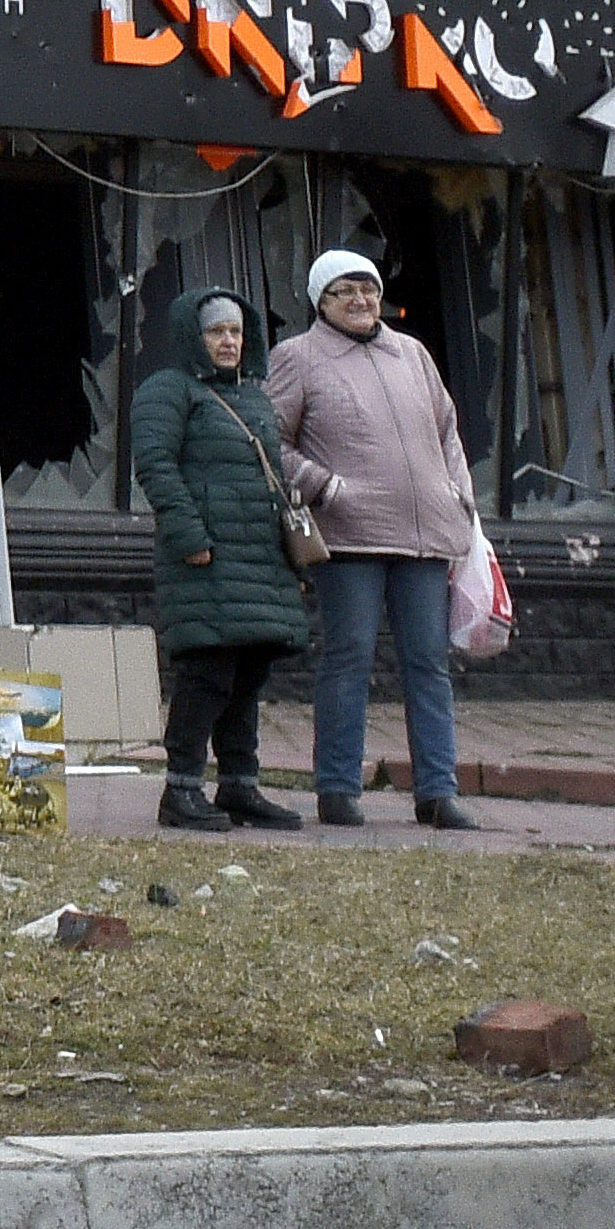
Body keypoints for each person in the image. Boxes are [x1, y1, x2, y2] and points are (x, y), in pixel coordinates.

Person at [261, 245, 480, 828]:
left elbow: (449, 433)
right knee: (349, 658)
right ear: (320, 301)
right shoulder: (297, 357)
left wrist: (460, 496)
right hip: (348, 540)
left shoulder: (412, 353)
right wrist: (324, 487)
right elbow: (269, 443)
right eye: (344, 291)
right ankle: (337, 789)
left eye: (369, 289)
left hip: (425, 538)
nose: (360, 300)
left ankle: (437, 791)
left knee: (428, 663)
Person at [121, 292, 309, 834]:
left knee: (248, 672)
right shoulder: (167, 391)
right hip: (205, 559)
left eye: (236, 332)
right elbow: (155, 465)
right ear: (192, 338)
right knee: (208, 674)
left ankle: (239, 786)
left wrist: (289, 564)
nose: (229, 342)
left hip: (258, 561)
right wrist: (189, 537)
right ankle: (181, 788)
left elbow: (271, 481)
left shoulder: (253, 396)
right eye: (215, 333)